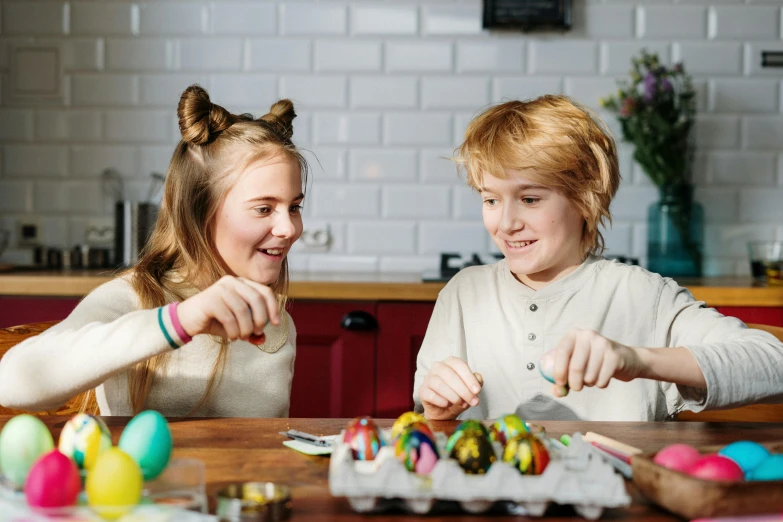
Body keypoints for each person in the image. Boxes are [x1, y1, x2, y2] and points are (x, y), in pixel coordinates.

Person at [414, 95, 783, 422]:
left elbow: (774, 364)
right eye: (490, 199)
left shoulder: (641, 296)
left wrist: (637, 360)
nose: (506, 224)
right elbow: (424, 426)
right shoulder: (463, 294)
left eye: (530, 199)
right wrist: (436, 410)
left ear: (584, 198)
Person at [0, 85, 307, 417]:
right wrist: (181, 320)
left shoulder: (277, 323)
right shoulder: (134, 298)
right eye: (264, 209)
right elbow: (13, 383)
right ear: (199, 212)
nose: (289, 229)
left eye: (294, 207)